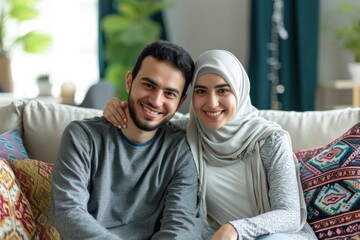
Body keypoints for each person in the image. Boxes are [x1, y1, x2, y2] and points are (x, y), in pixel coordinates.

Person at [103, 50, 318, 240]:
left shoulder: (270, 139)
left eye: (223, 90)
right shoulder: (185, 133)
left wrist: (235, 229)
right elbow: (147, 120)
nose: (211, 103)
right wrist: (117, 108)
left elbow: (289, 214)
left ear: (240, 91)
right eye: (201, 91)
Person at [51, 40, 212, 240]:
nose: (156, 100)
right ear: (129, 81)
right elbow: (68, 211)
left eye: (169, 93)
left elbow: (180, 227)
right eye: (148, 85)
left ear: (180, 102)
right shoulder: (82, 137)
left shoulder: (181, 150)